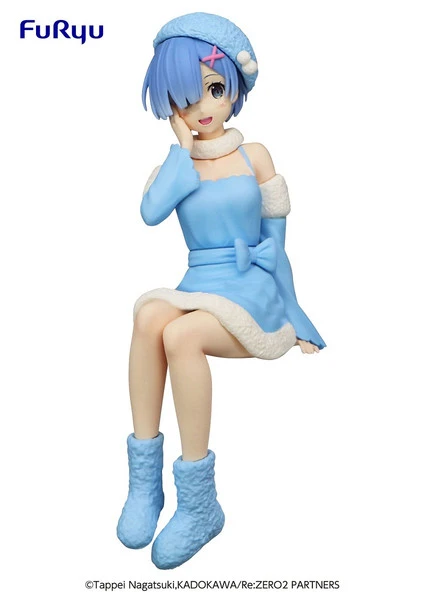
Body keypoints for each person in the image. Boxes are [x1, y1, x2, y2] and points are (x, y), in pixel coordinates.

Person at [117, 12, 325, 570]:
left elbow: (276, 244)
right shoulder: (177, 164)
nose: (202, 108)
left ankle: (199, 501)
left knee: (181, 335)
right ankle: (144, 485)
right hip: (200, 281)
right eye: (185, 99)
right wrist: (180, 150)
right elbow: (150, 213)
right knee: (149, 318)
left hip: (252, 285)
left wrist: (296, 310)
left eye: (212, 89)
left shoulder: (255, 156)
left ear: (234, 85)